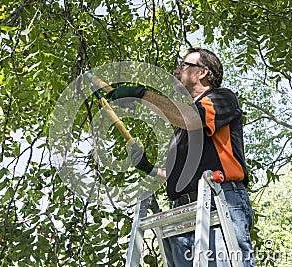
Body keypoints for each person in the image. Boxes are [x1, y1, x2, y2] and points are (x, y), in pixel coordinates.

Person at [107, 47, 255, 266]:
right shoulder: (181, 130)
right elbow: (182, 175)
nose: (176, 72)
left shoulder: (222, 98)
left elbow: (193, 119)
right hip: (182, 212)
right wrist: (149, 168)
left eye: (184, 65)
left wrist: (143, 95)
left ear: (202, 72)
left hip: (219, 202)